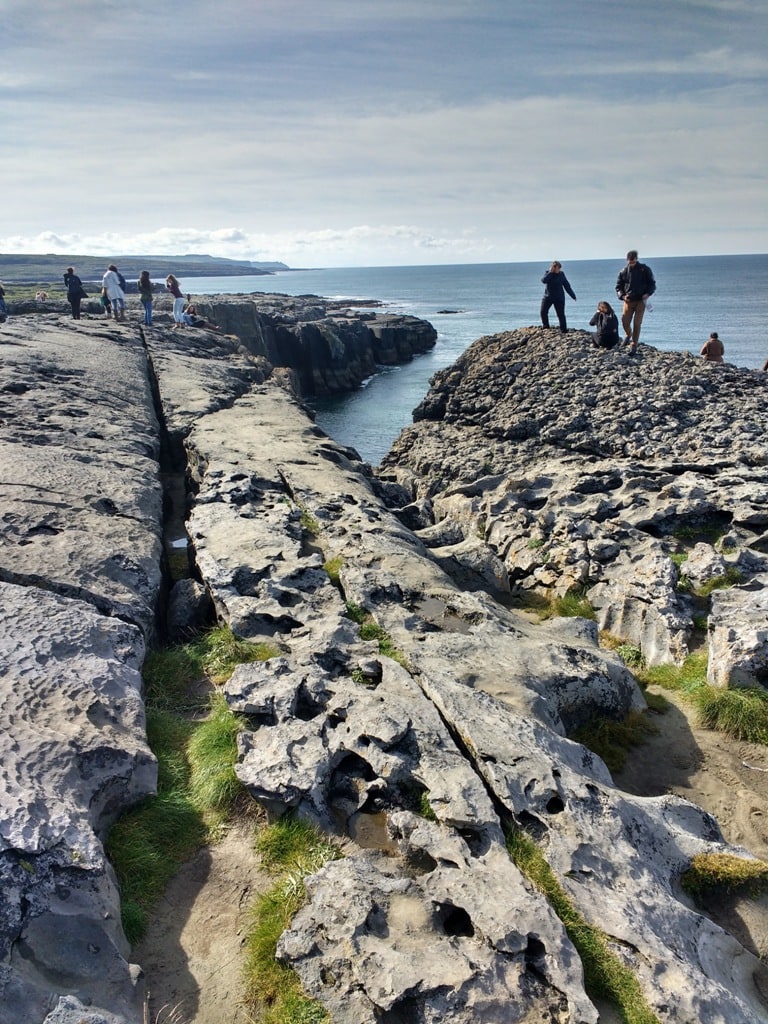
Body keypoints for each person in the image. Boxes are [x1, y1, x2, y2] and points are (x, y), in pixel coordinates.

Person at [615, 250, 655, 354]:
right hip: (628, 300)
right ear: (627, 260)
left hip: (641, 300)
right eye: (630, 261)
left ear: (637, 259)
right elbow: (618, 287)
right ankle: (628, 334)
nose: (631, 263)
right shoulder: (623, 272)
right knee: (624, 321)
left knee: (637, 322)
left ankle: (634, 344)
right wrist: (623, 296)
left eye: (633, 261)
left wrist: (648, 293)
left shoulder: (645, 269)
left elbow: (652, 284)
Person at [540, 261, 576, 332]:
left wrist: (573, 295)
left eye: (558, 268)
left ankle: (563, 329)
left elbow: (567, 285)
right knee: (543, 312)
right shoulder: (548, 273)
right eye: (556, 268)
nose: (557, 270)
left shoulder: (561, 274)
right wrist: (550, 272)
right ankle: (546, 326)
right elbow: (543, 280)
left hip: (559, 298)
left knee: (561, 314)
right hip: (548, 297)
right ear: (552, 267)